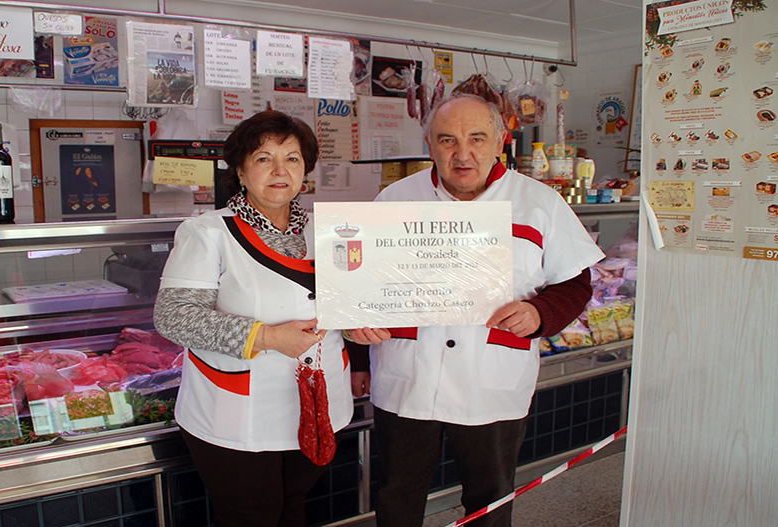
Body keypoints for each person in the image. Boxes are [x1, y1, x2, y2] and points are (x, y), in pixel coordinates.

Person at [349, 93, 604, 527]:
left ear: (501, 141)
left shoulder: (538, 203)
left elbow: (575, 282)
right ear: (429, 143)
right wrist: (357, 349)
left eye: (477, 139)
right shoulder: (394, 199)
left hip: (492, 378)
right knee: (397, 493)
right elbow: (361, 285)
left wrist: (540, 314)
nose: (462, 154)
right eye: (447, 140)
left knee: (490, 497)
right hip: (406, 375)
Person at [153, 110, 355, 527]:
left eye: (293, 159)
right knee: (252, 514)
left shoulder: (332, 230)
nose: (280, 170)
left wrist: (359, 326)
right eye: (264, 158)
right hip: (237, 407)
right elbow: (173, 317)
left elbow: (349, 304)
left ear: (306, 170)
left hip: (318, 401)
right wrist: (267, 337)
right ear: (241, 171)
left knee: (295, 502)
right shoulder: (208, 232)